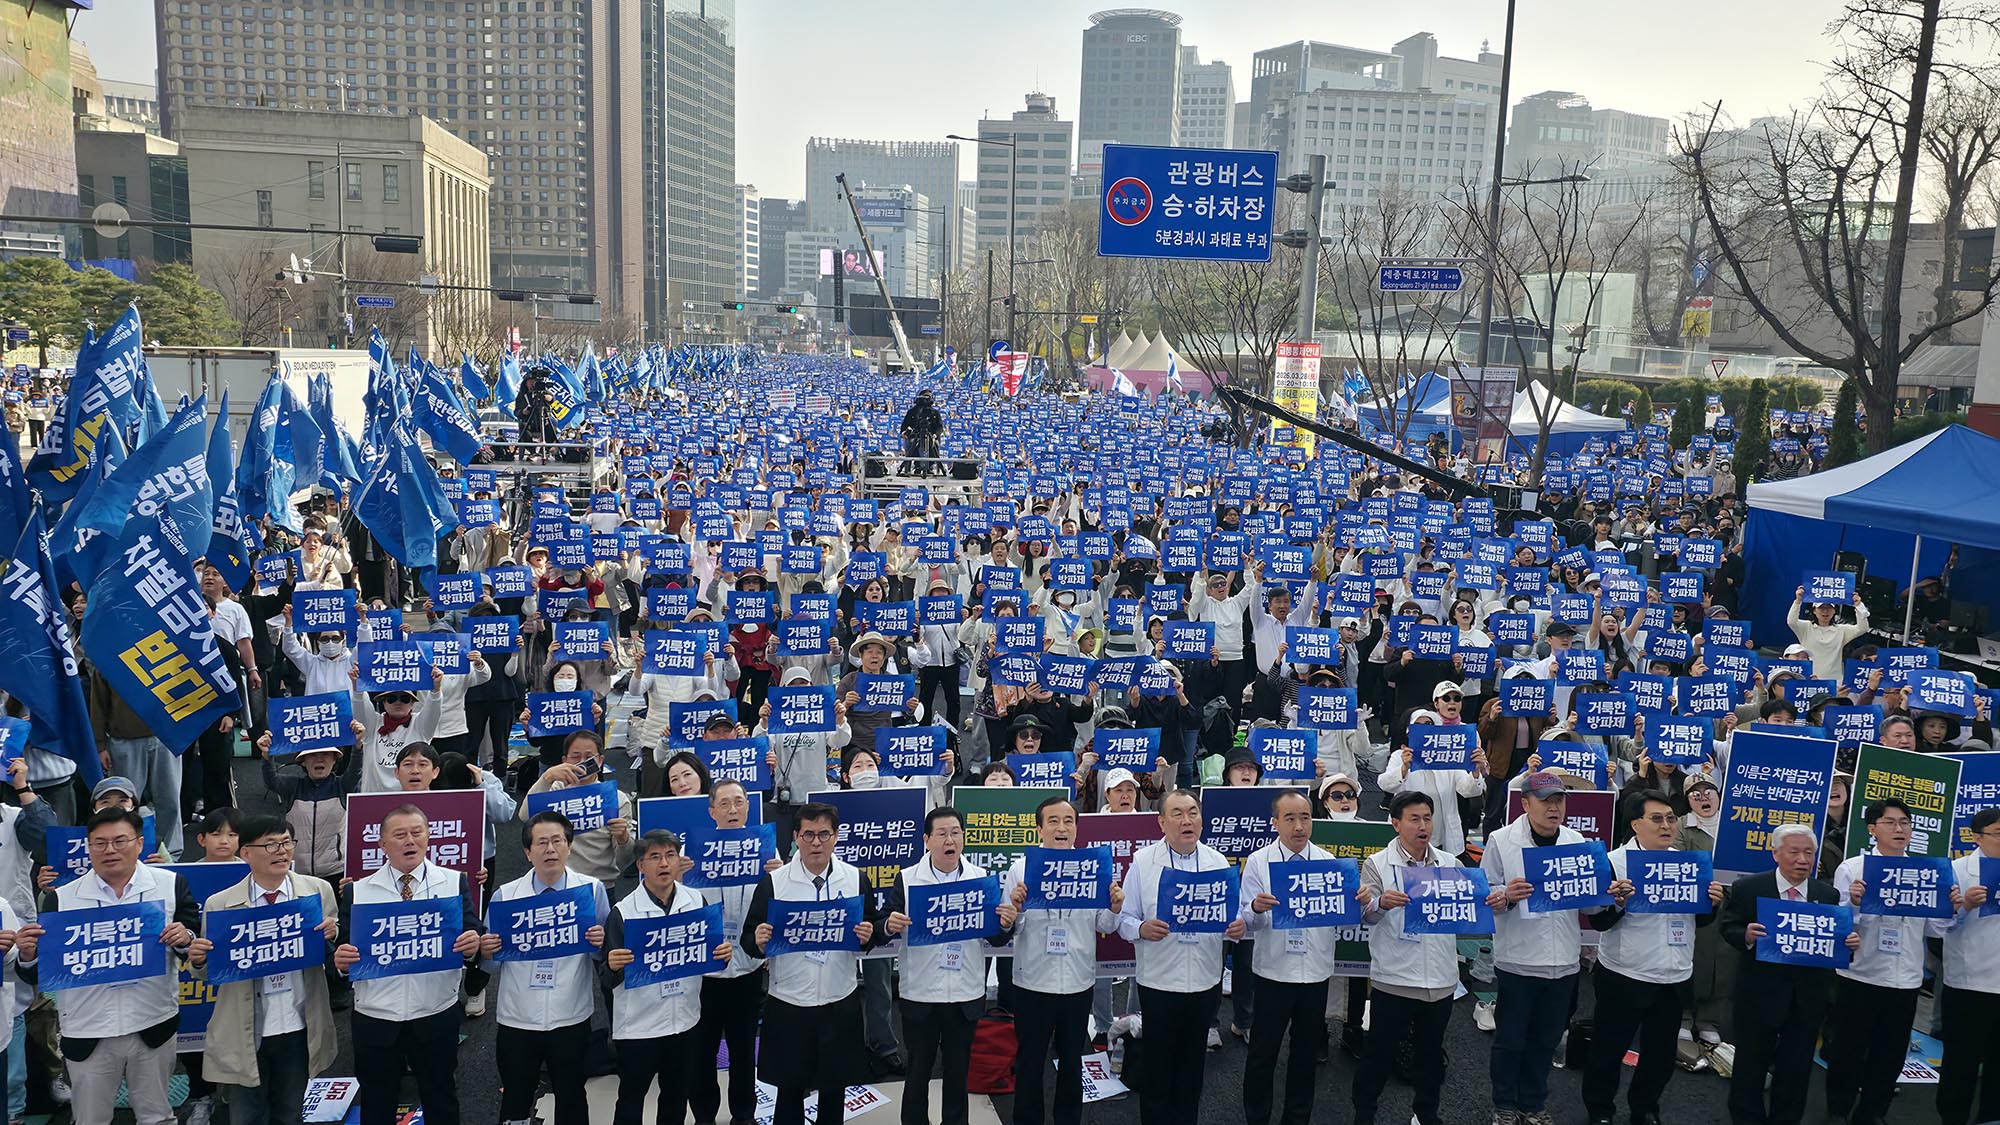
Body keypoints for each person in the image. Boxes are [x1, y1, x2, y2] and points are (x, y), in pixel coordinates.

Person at [24, 808, 199, 1125]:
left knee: (158, 1117)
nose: (110, 850)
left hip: (153, 1022)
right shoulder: (60, 899)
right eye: (99, 843)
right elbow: (37, 973)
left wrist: (185, 937)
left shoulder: (171, 884)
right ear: (88, 847)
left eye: (120, 840)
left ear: (139, 842)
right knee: (90, 1119)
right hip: (88, 1029)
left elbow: (195, 943)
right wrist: (27, 955)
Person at [334, 804, 485, 1125]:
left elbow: (474, 934)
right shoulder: (359, 892)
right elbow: (344, 952)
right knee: (376, 1101)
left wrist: (472, 945)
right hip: (376, 1016)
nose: (409, 841)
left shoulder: (453, 883)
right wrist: (341, 962)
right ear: (382, 844)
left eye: (417, 833)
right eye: (399, 835)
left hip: (435, 1011)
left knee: (441, 1097)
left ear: (428, 838)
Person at [1583, 790, 1726, 1125]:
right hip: (1625, 973)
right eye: (1657, 819)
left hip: (1673, 976)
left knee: (1660, 1057)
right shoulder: (1615, 862)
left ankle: (1645, 1108)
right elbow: (1598, 921)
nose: (1667, 826)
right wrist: (1617, 901)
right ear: (1636, 824)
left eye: (1671, 819)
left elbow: (1700, 921)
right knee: (1608, 1051)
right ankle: (1600, 1111)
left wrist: (1713, 903)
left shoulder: (1687, 863)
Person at [187, 814, 341, 1125]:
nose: (282, 851)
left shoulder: (317, 891)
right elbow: (208, 972)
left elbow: (333, 952)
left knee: (290, 1113)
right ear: (245, 853)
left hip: (298, 1021)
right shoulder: (221, 904)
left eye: (286, 843)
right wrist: (199, 959)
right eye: (270, 845)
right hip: (248, 1026)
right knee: (246, 1116)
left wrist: (332, 936)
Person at [741, 801, 883, 1125]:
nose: (816, 843)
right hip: (789, 1001)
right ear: (795, 837)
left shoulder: (855, 879)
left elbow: (873, 928)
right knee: (789, 1091)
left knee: (834, 1090)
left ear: (836, 837)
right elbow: (749, 940)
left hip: (839, 997)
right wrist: (759, 940)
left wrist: (868, 934)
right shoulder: (775, 883)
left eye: (823, 834)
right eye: (808, 835)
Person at [1824, 797, 1959, 1125]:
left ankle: (1872, 1112)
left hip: (1906, 977)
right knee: (1847, 1050)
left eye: (1905, 823)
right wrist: (1855, 902)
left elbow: (1936, 928)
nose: (1900, 829)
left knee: (1890, 1054)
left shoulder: (1925, 872)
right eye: (1890, 822)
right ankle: (1838, 1110)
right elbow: (1840, 925)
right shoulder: (1853, 868)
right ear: (1872, 829)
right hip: (1860, 974)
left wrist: (1953, 907)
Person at [1114, 789, 1246, 1125]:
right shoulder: (1143, 863)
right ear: (1161, 822)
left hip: (1204, 980)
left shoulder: (1217, 862)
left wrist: (1235, 926)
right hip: (1158, 981)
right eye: (1177, 814)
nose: (1186, 821)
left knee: (1191, 1068)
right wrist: (1141, 928)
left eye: (1193, 813)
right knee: (1158, 1069)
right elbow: (1123, 919)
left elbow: (1234, 917)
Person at [882, 806, 1016, 1125]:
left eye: (955, 832)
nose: (949, 839)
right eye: (941, 833)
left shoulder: (981, 880)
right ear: (927, 840)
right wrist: (888, 923)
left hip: (964, 993)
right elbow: (880, 924)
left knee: (958, 1073)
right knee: (918, 1071)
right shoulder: (907, 879)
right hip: (920, 993)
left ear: (963, 839)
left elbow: (996, 939)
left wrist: (1007, 924)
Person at [1720, 823, 1859, 1125]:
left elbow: (1835, 945)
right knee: (1750, 1067)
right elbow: (1727, 927)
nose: (1802, 859)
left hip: (1808, 997)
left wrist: (1848, 944)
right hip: (1759, 993)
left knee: (1796, 1069)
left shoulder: (1827, 894)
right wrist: (1746, 934)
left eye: (1808, 853)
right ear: (1776, 854)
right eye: (1794, 852)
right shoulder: (1750, 888)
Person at [1000, 795, 1125, 1125]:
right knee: (1030, 1061)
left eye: (1068, 821)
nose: (1061, 827)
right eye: (1053, 821)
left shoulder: (1093, 867)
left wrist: (1114, 908)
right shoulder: (1020, 869)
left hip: (1077, 980)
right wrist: (1018, 907)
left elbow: (1104, 925)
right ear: (1039, 828)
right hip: (1032, 982)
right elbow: (1009, 928)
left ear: (1076, 829)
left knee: (1072, 1061)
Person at [480, 811, 610, 1125]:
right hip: (518, 1018)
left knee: (571, 1096)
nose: (550, 849)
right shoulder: (505, 896)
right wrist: (486, 951)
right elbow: (490, 965)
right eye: (541, 843)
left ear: (569, 846)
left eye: (557, 841)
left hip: (571, 1015)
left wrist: (599, 942)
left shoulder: (591, 891)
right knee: (515, 1098)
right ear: (527, 852)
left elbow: (604, 958)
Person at [603, 826, 733, 1125]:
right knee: (631, 1098)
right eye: (655, 857)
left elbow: (709, 961)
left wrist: (722, 957)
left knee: (675, 1097)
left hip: (684, 1022)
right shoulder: (623, 913)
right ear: (640, 865)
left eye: (670, 855)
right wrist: (612, 965)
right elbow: (605, 978)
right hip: (640, 1026)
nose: (664, 864)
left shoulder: (696, 902)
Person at [1481, 770, 1588, 1125]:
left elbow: (1589, 903)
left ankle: (1533, 1104)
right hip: (1518, 960)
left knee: (1546, 1041)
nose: (1554, 808)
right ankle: (1504, 1105)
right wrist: (1506, 896)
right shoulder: (1501, 840)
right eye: (1545, 801)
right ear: (1525, 803)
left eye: (1559, 800)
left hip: (1564, 961)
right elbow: (1485, 894)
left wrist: (1610, 896)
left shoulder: (1577, 842)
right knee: (1510, 1040)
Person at [1237, 789, 1340, 1125]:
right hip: (1273, 971)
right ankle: (1257, 1117)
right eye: (1290, 818)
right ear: (1275, 823)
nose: (1299, 826)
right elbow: (1244, 918)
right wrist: (1255, 908)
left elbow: (1352, 915)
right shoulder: (1258, 861)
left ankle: (1296, 1118)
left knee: (1305, 1054)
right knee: (1262, 1053)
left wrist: (1364, 900)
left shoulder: (1329, 863)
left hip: (1315, 972)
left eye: (1305, 817)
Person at [1354, 790, 1456, 1125]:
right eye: (1414, 819)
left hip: (1440, 979)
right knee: (1378, 1056)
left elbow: (1466, 910)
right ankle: (1364, 1114)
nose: (1423, 825)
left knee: (1431, 1057)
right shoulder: (1378, 863)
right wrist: (1381, 904)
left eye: (1427, 818)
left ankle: (1427, 1115)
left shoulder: (1450, 863)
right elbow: (1365, 915)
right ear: (1396, 823)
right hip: (1395, 978)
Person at [688, 778, 778, 1125]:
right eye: (723, 803)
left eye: (738, 802)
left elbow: (781, 905)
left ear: (747, 807)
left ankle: (744, 1115)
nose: (732, 809)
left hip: (747, 966)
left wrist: (779, 873)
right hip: (706, 970)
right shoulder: (692, 853)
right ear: (711, 810)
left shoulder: (766, 851)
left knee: (743, 1050)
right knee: (703, 1050)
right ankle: (704, 1116)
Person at [1937, 806, 2000, 1125]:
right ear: (1977, 837)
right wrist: (1965, 907)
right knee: (1961, 1059)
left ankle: (1991, 1116)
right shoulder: (1957, 870)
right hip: (1968, 983)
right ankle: (1952, 1117)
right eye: (1999, 834)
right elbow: (1937, 927)